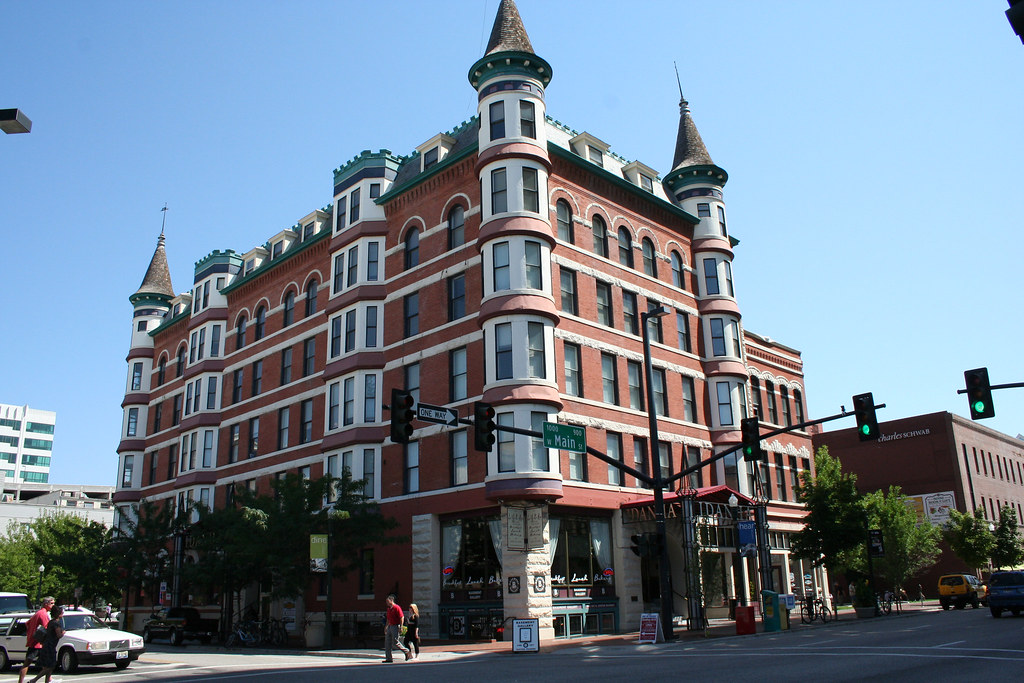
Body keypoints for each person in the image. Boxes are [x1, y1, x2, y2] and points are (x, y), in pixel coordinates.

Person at [18, 597, 54, 683]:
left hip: (34, 642)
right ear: (46, 604)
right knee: (45, 664)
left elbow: (27, 624)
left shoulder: (38, 613)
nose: (53, 605)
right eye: (52, 603)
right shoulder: (43, 614)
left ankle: (49, 680)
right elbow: (47, 627)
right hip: (38, 643)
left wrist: (31, 633)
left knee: (45, 664)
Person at [28, 604, 63, 683]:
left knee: (49, 665)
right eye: (62, 613)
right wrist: (63, 633)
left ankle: (47, 681)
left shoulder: (51, 622)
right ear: (58, 614)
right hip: (50, 647)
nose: (62, 614)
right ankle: (34, 680)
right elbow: (59, 635)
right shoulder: (56, 623)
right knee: (50, 666)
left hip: (46, 645)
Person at [382, 594, 411, 663]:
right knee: (387, 642)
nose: (387, 603)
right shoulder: (389, 609)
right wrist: (386, 627)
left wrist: (401, 626)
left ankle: (406, 651)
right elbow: (388, 619)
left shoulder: (397, 607)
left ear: (391, 600)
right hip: (390, 626)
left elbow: (402, 617)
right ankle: (389, 658)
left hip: (395, 626)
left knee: (395, 642)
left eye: (388, 601)